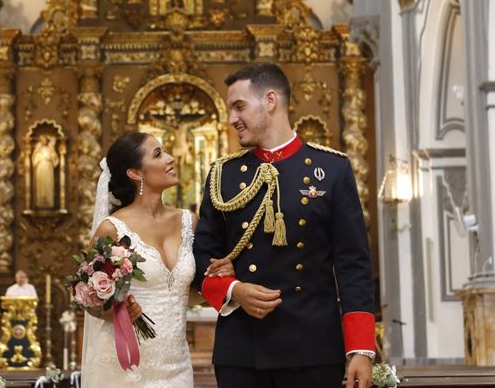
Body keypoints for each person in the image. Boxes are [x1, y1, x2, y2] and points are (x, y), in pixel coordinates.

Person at [193, 62, 376, 388]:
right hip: (241, 351)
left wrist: (360, 349)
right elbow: (201, 257)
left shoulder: (331, 169)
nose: (231, 119)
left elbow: (354, 265)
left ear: (270, 101)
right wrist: (235, 291)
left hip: (313, 349)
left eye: (239, 107)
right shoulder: (224, 174)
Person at [81, 132, 233, 387]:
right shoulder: (113, 229)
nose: (171, 158)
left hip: (177, 366)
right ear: (135, 173)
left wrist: (221, 274)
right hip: (127, 365)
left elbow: (190, 293)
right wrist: (116, 312)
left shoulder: (189, 222)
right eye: (158, 154)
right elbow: (88, 299)